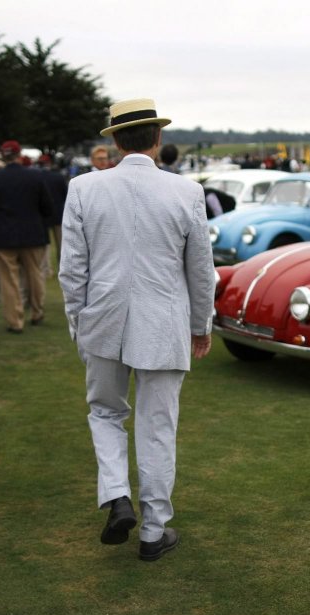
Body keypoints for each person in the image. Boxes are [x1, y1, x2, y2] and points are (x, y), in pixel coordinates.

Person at [59, 98, 215, 562]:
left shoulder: (84, 188)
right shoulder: (186, 191)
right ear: (158, 139)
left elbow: (72, 271)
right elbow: (201, 271)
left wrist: (78, 323)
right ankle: (152, 529)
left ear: (115, 140)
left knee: (105, 413)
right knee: (157, 425)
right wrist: (200, 325)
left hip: (102, 318)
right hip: (162, 321)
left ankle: (118, 495)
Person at [0, 139, 54, 332]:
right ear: (19, 154)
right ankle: (37, 312)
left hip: (5, 236)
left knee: (9, 280)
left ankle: (15, 321)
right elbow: (47, 207)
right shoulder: (36, 177)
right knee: (35, 275)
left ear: (2, 156)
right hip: (33, 234)